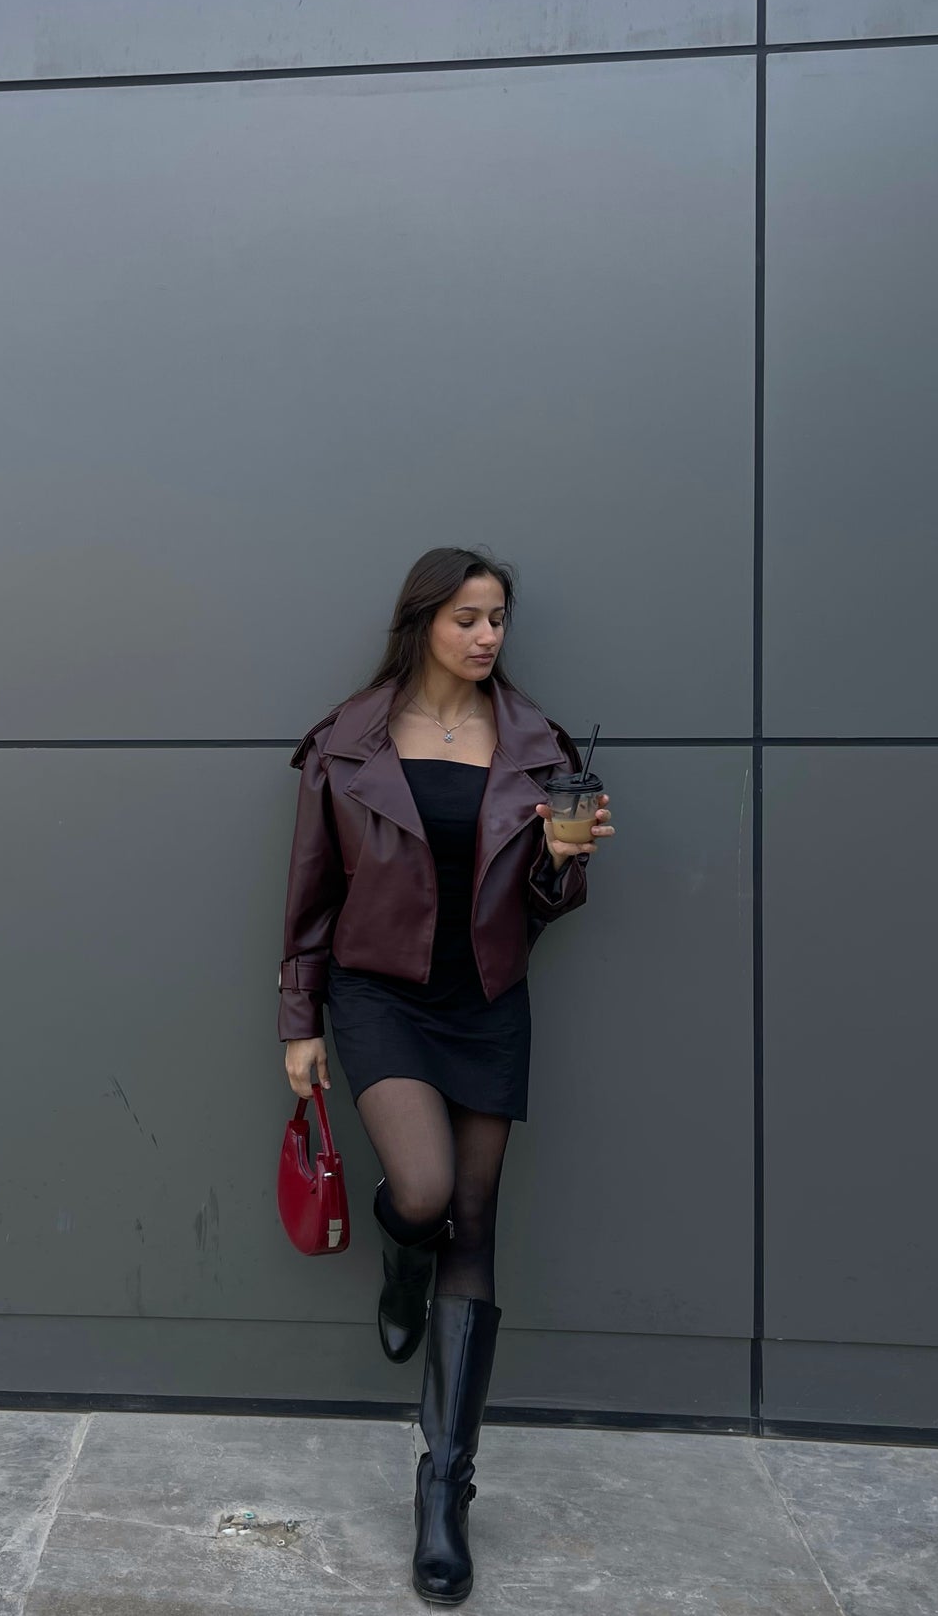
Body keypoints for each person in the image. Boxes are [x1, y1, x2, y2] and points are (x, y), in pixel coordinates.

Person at [276, 545, 614, 1605]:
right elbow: (310, 887)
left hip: (486, 1004)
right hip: (376, 995)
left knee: (475, 1222)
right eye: (467, 617)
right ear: (422, 619)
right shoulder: (350, 736)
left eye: (499, 619)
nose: (485, 637)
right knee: (420, 1193)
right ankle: (396, 1246)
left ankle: (444, 1489)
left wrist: (567, 857)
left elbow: (549, 902)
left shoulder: (535, 742)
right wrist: (298, 1016)